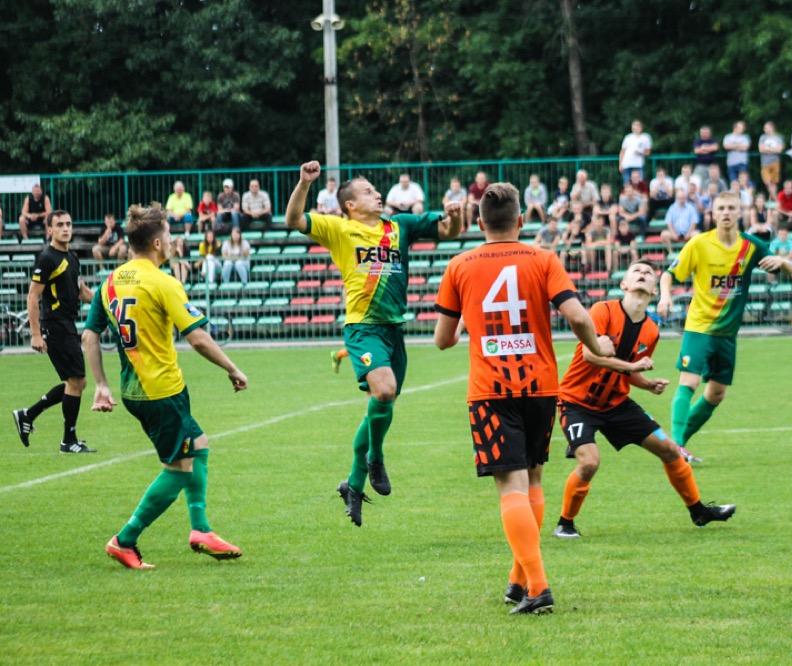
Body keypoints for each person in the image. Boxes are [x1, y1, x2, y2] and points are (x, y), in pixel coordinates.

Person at [433, 181, 614, 615]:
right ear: (520, 220)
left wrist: (470, 322)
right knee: (532, 479)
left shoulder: (459, 265)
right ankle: (518, 580)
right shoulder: (544, 259)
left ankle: (538, 586)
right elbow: (577, 316)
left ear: (480, 224)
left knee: (509, 486)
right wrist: (597, 346)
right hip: (541, 386)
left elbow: (442, 339)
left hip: (491, 389)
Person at [284, 161, 463, 526]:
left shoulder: (400, 226)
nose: (378, 194)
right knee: (384, 391)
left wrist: (457, 215)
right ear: (349, 205)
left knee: (380, 406)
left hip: (394, 330)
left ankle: (353, 484)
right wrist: (304, 184)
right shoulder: (339, 229)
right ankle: (375, 458)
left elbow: (449, 231)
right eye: (368, 192)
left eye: (376, 190)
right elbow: (293, 220)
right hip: (363, 328)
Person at [82, 203, 249, 569]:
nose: (172, 242)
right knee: (178, 469)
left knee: (199, 445)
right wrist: (232, 368)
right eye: (169, 236)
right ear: (157, 243)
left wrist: (101, 385)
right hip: (162, 391)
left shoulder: (110, 283)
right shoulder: (163, 282)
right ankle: (124, 540)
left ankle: (201, 529)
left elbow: (90, 335)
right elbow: (198, 338)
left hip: (133, 390)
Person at [554, 261, 736, 539]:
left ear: (654, 290)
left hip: (616, 403)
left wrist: (647, 384)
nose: (642, 274)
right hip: (576, 402)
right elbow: (590, 355)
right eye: (636, 271)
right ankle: (564, 524)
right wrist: (632, 368)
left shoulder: (651, 331)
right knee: (589, 462)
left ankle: (698, 511)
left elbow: (627, 371)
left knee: (670, 450)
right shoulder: (603, 310)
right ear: (624, 284)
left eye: (649, 273)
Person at [656, 192, 792, 459]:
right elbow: (668, 274)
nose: (726, 212)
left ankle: (678, 444)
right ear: (713, 213)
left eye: (731, 207)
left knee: (716, 394)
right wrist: (665, 297)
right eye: (721, 208)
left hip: (728, 334)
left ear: (740, 211)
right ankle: (675, 450)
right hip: (699, 327)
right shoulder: (699, 244)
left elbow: (790, 273)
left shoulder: (751, 246)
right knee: (689, 382)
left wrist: (784, 263)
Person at [12, 211, 95, 453]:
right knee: (76, 380)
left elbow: (81, 290)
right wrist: (35, 334)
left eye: (68, 224)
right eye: (59, 225)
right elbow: (33, 296)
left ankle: (28, 415)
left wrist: (106, 302)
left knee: (76, 382)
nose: (65, 228)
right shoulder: (47, 258)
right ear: (50, 230)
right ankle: (68, 441)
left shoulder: (72, 257)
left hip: (67, 324)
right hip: (55, 325)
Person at [662, 187, 699, 254]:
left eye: (683, 198)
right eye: (680, 198)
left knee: (696, 235)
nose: (681, 200)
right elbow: (668, 222)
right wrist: (673, 234)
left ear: (686, 198)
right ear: (676, 198)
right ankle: (671, 253)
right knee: (664, 234)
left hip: (688, 233)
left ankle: (692, 253)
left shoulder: (691, 207)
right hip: (675, 233)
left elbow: (694, 222)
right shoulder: (672, 208)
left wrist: (688, 234)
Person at [619, 119, 652, 184]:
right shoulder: (627, 137)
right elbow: (622, 151)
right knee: (627, 185)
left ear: (641, 127)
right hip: (626, 164)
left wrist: (640, 153)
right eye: (634, 126)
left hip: (638, 165)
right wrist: (620, 164)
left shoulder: (646, 138)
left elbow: (648, 152)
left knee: (639, 184)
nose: (636, 128)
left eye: (637, 126)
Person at [758, 121, 784, 198]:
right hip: (764, 163)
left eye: (766, 128)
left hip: (775, 162)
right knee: (767, 182)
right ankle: (775, 199)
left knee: (774, 182)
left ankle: (772, 199)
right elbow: (761, 149)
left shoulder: (778, 137)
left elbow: (779, 150)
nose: (764, 129)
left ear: (772, 128)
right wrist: (773, 150)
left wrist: (767, 149)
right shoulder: (762, 137)